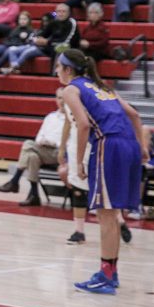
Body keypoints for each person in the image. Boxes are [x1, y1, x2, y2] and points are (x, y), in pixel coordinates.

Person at [59, 49, 146, 294]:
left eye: (58, 67)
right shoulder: (102, 86)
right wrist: (143, 148)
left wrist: (78, 162)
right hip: (129, 145)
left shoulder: (71, 89)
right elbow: (135, 115)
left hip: (110, 145)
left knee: (105, 214)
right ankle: (110, 272)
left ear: (67, 69)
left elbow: (84, 125)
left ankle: (106, 276)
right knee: (111, 213)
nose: (56, 71)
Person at [0, 88, 67, 206]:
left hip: (60, 153)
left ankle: (15, 180)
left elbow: (70, 142)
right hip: (44, 151)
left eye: (64, 98)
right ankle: (34, 195)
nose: (62, 101)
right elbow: (39, 137)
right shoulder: (50, 117)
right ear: (56, 100)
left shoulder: (72, 118)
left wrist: (53, 143)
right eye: (59, 98)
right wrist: (42, 141)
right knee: (32, 157)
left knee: (27, 144)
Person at [1, 4, 80, 75]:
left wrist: (47, 42)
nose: (61, 13)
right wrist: (37, 39)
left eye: (63, 11)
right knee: (13, 49)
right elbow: (41, 34)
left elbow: (66, 41)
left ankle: (53, 76)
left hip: (63, 48)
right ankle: (14, 68)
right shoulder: (54, 22)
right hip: (47, 47)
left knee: (55, 49)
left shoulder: (71, 22)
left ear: (69, 13)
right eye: (58, 11)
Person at [58, 97, 91, 244]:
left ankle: (119, 221)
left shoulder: (90, 96)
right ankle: (79, 231)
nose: (56, 72)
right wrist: (61, 148)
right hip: (74, 146)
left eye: (59, 71)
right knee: (77, 189)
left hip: (93, 145)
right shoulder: (68, 96)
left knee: (103, 189)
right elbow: (67, 123)